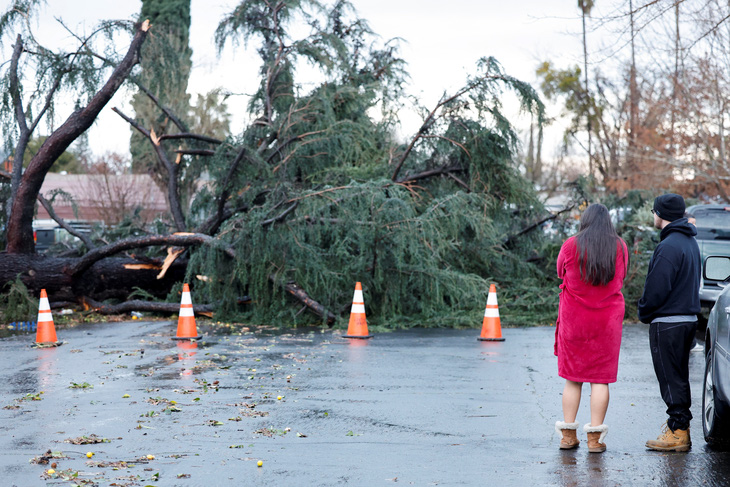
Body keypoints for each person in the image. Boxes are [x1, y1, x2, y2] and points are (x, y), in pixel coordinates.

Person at [554, 203, 628, 453]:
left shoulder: (570, 245)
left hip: (575, 320)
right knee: (600, 380)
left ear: (584, 220)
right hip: (606, 322)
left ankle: (567, 437)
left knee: (573, 379)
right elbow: (622, 275)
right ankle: (595, 440)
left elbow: (559, 272)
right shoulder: (619, 246)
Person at [639, 193, 701, 452]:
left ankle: (677, 432)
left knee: (671, 378)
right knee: (679, 377)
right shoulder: (688, 242)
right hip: (687, 320)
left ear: (661, 214)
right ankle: (680, 430)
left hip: (668, 322)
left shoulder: (669, 246)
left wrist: (643, 311)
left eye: (654, 212)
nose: (653, 216)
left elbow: (657, 288)